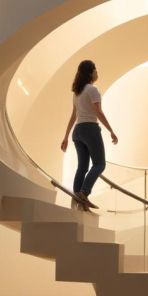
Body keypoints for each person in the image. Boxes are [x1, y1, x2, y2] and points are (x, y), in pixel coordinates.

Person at [61, 60, 118, 212]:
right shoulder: (93, 90)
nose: (97, 72)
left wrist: (66, 137)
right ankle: (84, 193)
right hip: (90, 129)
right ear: (90, 72)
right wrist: (111, 131)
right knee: (99, 164)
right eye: (95, 69)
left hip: (77, 131)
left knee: (82, 167)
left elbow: (73, 116)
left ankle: (76, 197)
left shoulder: (77, 93)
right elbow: (98, 112)